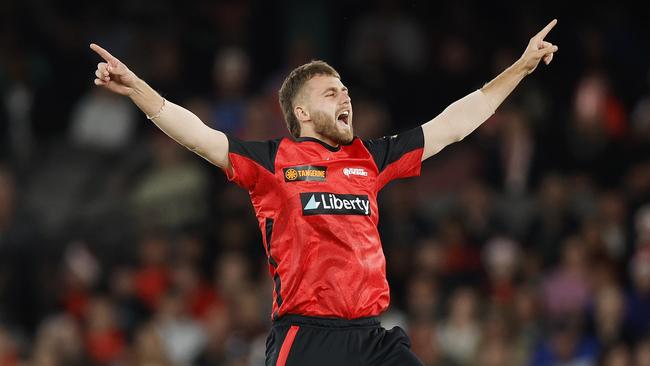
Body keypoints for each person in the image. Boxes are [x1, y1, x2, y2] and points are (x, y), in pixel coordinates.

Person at [89, 19, 559, 366]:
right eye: (331, 92)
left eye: (346, 89)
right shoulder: (273, 161)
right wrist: (139, 91)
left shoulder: (369, 158)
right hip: (307, 339)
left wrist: (519, 68)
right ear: (302, 111)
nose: (346, 97)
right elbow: (198, 135)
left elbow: (452, 126)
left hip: (372, 338)